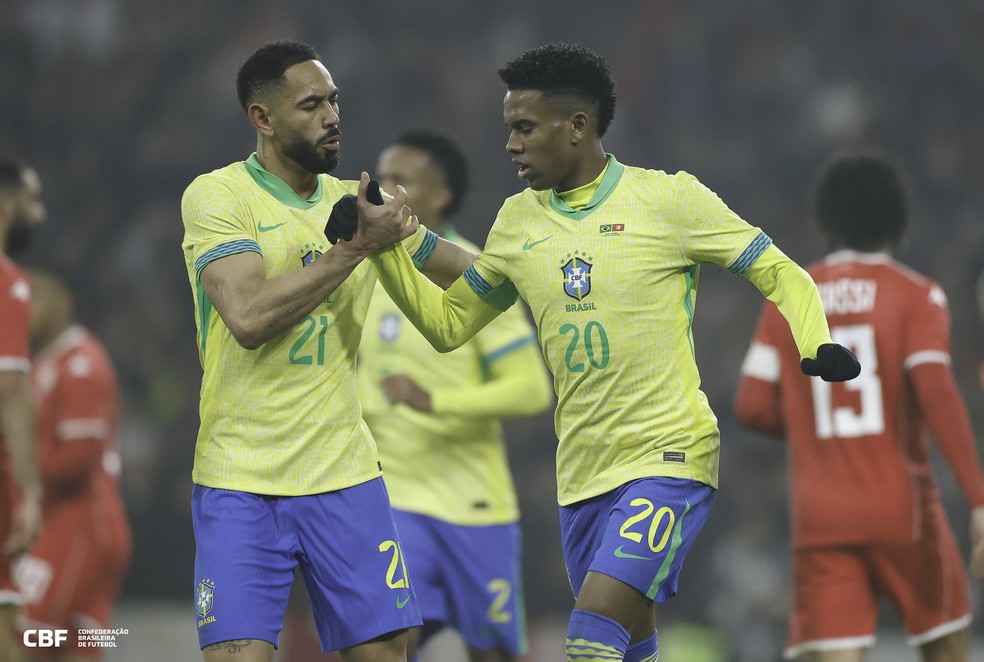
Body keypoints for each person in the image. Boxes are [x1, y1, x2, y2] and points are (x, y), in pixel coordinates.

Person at [358, 43, 860, 662]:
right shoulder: (516, 222)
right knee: (629, 648)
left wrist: (817, 342)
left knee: (591, 632)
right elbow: (449, 323)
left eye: (524, 128)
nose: (511, 144)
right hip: (583, 476)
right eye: (508, 129)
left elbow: (780, 271)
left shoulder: (669, 200)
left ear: (577, 127)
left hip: (667, 454)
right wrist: (385, 251)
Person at [180, 40, 433, 662]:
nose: (332, 116)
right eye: (312, 104)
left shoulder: (360, 204)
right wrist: (351, 251)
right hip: (240, 478)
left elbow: (464, 278)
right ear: (262, 119)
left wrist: (535, 256)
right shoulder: (218, 197)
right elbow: (246, 317)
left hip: (344, 475)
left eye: (335, 101)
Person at [734, 151, 984, 661]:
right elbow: (937, 394)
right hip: (904, 509)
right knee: (947, 649)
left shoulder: (789, 296)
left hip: (821, 514)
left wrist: (810, 426)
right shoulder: (918, 295)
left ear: (826, 219)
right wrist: (979, 499)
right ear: (898, 218)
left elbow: (751, 405)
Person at [363, 129, 553, 661]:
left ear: (439, 196)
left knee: (492, 654)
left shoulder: (477, 276)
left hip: (475, 506)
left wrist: (436, 402)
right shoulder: (361, 268)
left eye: (400, 181)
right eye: (382, 178)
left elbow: (530, 389)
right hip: (394, 501)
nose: (383, 190)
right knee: (386, 646)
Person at [13, 267, 132, 660]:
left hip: (78, 525)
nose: (27, 305)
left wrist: (16, 478)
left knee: (23, 638)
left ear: (64, 302)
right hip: (80, 526)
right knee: (78, 646)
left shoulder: (81, 363)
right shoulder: (47, 361)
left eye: (38, 294)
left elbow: (78, 458)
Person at [0, 155, 44, 658]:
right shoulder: (9, 283)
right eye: (33, 201)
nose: (41, 213)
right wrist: (30, 495)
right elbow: (9, 393)